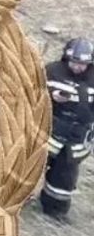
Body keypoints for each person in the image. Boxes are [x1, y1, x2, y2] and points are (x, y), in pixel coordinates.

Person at [40, 37, 94, 221]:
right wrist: (52, 97)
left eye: (83, 64)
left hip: (77, 138)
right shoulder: (52, 71)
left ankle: (56, 210)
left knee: (65, 175)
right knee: (32, 165)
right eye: (75, 62)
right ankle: (14, 197)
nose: (78, 67)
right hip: (49, 131)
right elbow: (33, 94)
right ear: (66, 58)